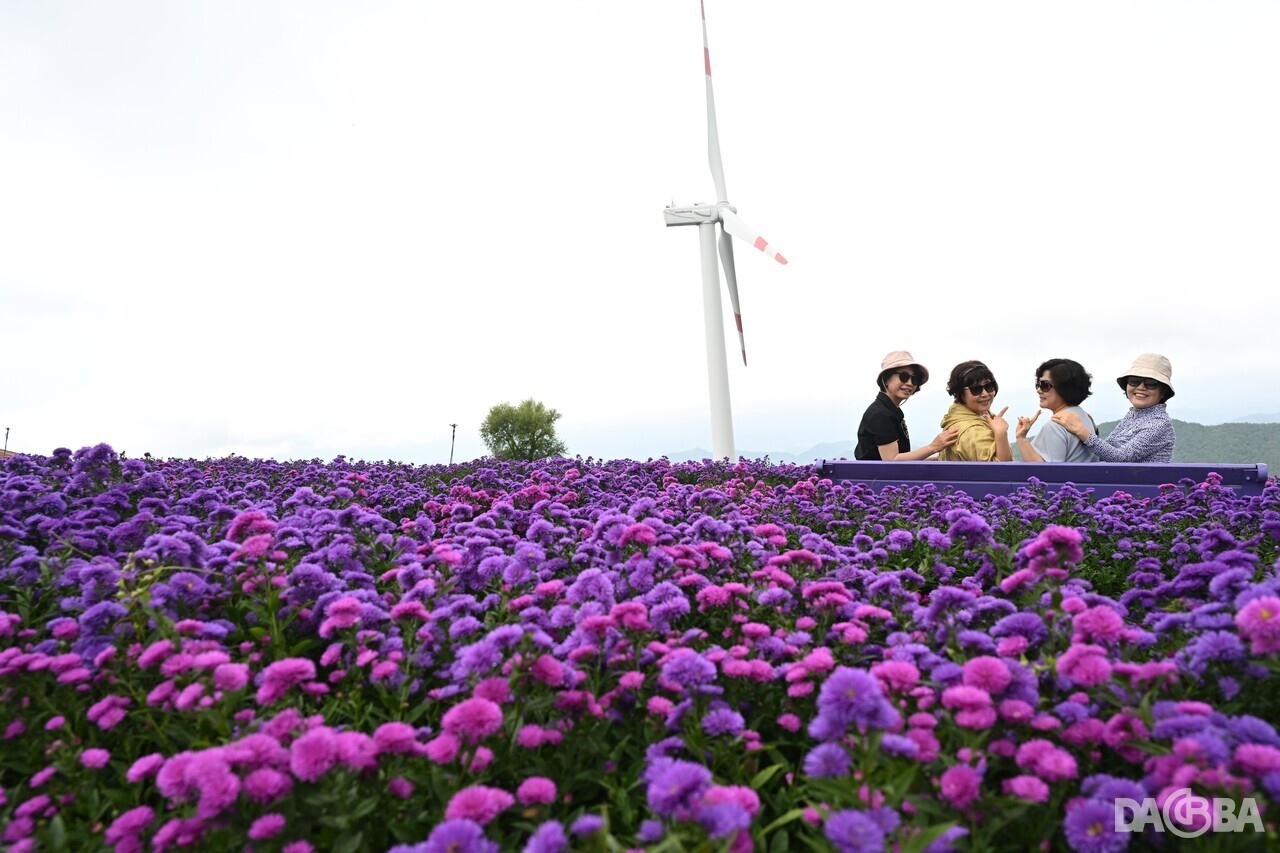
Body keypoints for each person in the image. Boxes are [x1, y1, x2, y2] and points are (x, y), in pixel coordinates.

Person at [1052, 353, 1176, 462]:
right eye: (1134, 381)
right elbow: (1109, 448)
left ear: (1163, 392)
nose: (1141, 387)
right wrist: (1093, 430)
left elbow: (1120, 457)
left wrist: (1081, 430)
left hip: (1135, 487)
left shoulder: (1159, 424)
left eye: (1151, 384)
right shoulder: (1134, 415)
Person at [854, 351, 958, 460]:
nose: (910, 383)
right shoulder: (880, 414)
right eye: (904, 377)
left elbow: (901, 460)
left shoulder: (889, 410)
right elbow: (892, 461)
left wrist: (940, 459)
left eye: (914, 379)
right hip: (876, 477)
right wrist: (933, 447)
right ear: (886, 379)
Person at [1016, 358, 1099, 462]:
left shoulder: (1055, 425)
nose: (1038, 390)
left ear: (1065, 388)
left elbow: (1045, 473)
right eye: (1038, 384)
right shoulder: (1084, 416)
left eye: (1045, 385)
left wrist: (1021, 438)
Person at [936, 360, 1012, 462]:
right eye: (976, 389)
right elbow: (1002, 473)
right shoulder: (973, 431)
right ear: (960, 393)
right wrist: (1001, 433)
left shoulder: (955, 417)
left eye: (989, 386)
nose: (985, 394)